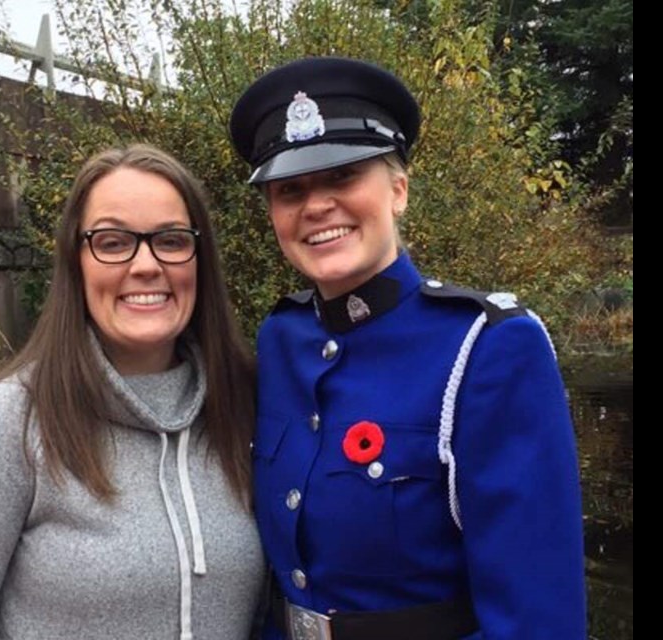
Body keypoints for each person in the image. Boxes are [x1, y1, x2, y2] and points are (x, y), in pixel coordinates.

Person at [229, 57, 586, 639]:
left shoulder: (488, 348)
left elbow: (536, 618)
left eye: (343, 176)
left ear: (398, 190)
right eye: (290, 190)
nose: (316, 205)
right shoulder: (280, 340)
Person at [0, 144, 265, 640]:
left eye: (171, 240)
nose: (147, 264)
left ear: (200, 258)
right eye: (112, 242)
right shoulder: (10, 423)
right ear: (76, 262)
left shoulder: (247, 408)